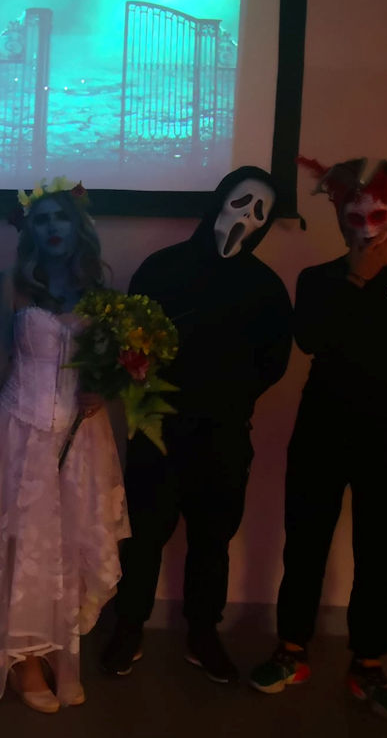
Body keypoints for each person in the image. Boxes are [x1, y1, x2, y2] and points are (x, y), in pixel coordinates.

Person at [249, 158, 387, 722]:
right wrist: (352, 281)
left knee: (378, 559)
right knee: (304, 547)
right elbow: (310, 340)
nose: (366, 227)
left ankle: (369, 665)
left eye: (377, 215)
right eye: (354, 217)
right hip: (320, 431)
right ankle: (292, 651)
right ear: (339, 217)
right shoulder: (317, 281)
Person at [100, 167, 292, 683]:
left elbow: (274, 361)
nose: (247, 216)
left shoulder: (266, 288)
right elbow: (129, 340)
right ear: (220, 200)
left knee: (212, 538)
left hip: (223, 433)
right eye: (241, 201)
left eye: (260, 211)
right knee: (144, 534)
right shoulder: (162, 268)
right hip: (158, 429)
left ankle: (203, 633)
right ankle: (129, 626)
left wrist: (229, 395)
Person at [0, 181, 129, 712]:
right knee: (25, 543)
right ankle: (23, 657)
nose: (52, 227)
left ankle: (59, 645)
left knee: (68, 540)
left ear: (77, 225)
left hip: (81, 436)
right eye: (42, 219)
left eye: (61, 218)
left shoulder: (101, 290)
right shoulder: (11, 283)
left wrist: (105, 389)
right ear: (29, 229)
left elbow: (113, 365)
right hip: (21, 427)